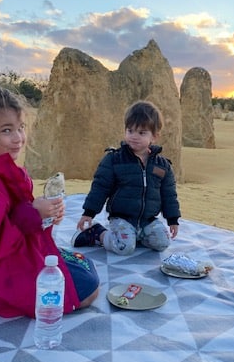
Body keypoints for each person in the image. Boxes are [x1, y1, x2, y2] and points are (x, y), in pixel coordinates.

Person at [0, 84, 99, 318]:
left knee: (85, 267)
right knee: (86, 289)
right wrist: (34, 214)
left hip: (11, 261)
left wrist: (45, 214)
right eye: (6, 130)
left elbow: (15, 213)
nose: (18, 138)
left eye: (20, 128)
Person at [72, 100, 181, 255]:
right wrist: (89, 212)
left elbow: (169, 195)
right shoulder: (114, 159)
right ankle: (98, 234)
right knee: (124, 248)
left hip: (147, 220)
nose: (134, 136)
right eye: (130, 131)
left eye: (142, 133)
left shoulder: (162, 165)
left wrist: (173, 219)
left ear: (155, 136)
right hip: (122, 218)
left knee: (162, 243)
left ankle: (135, 235)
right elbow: (100, 187)